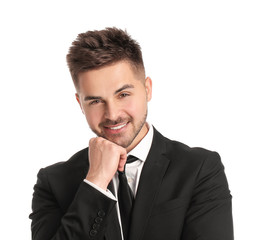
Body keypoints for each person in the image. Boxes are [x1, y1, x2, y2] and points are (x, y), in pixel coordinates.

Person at [29, 27, 234, 240]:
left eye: (123, 94)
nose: (112, 114)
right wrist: (95, 182)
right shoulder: (53, 182)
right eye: (96, 101)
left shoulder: (199, 169)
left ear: (147, 89)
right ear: (80, 104)